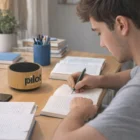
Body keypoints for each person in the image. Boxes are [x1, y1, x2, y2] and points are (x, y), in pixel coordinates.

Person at [52, 0, 140, 140]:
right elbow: (133, 74)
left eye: (99, 32)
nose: (102, 44)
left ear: (121, 25)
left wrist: (78, 111)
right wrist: (98, 80)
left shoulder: (135, 94)